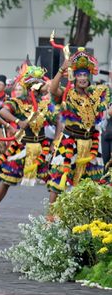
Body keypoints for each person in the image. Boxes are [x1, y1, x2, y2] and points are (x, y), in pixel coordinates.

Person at [0, 66, 55, 219]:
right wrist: (17, 121)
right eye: (33, 85)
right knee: (6, 179)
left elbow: (57, 119)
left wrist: (57, 138)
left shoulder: (45, 104)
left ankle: (51, 214)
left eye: (38, 84)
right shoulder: (18, 102)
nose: (36, 88)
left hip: (41, 148)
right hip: (22, 147)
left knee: (54, 181)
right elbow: (2, 111)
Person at [47, 49, 109, 211]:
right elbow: (53, 90)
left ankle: (87, 215)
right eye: (79, 75)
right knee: (58, 178)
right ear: (75, 76)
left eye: (85, 75)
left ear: (89, 76)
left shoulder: (97, 93)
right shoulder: (68, 93)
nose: (82, 78)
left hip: (91, 143)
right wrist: (61, 70)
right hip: (69, 141)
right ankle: (51, 216)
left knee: (93, 182)